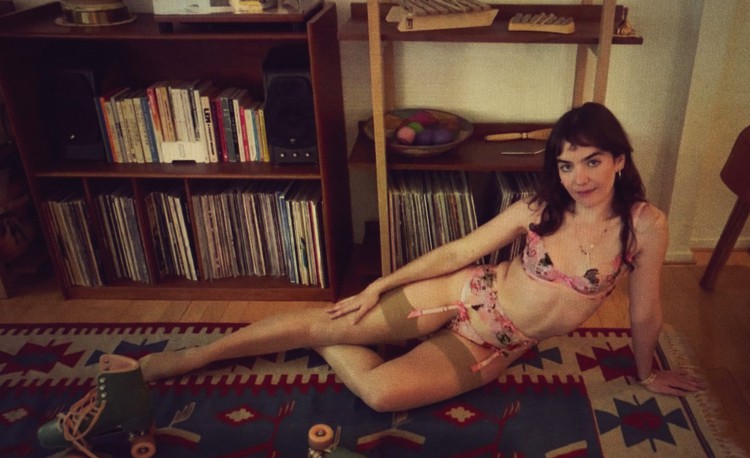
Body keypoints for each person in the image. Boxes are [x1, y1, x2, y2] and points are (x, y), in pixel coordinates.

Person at [140, 102, 704, 412]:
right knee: (333, 316)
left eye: (592, 161)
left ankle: (322, 339)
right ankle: (194, 357)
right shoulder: (538, 207)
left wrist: (646, 371)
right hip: (464, 292)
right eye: (565, 164)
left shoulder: (645, 227)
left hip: (497, 345)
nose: (578, 178)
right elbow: (459, 251)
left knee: (381, 394)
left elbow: (645, 312)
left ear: (620, 160)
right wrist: (377, 285)